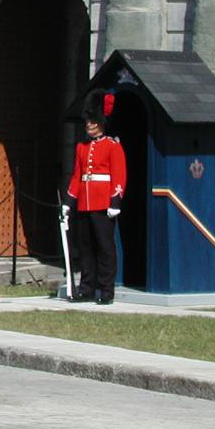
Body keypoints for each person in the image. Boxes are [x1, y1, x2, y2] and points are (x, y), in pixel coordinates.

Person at [63, 90, 126, 305]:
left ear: (101, 122)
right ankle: (86, 288)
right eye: (88, 121)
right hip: (84, 203)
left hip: (102, 203)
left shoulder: (112, 146)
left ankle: (106, 290)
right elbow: (77, 176)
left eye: (93, 121)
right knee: (86, 249)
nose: (89, 125)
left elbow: (119, 175)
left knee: (105, 248)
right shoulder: (82, 147)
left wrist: (115, 201)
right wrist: (69, 202)